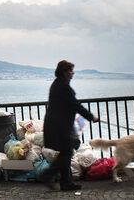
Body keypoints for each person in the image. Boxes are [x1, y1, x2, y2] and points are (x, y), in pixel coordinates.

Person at [39, 60, 99, 191]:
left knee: (65, 153)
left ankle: (66, 182)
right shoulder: (63, 87)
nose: (72, 73)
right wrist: (91, 117)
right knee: (66, 152)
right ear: (64, 72)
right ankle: (48, 175)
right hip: (59, 126)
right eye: (70, 70)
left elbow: (71, 105)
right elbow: (75, 105)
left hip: (58, 125)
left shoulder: (58, 84)